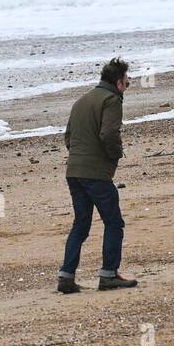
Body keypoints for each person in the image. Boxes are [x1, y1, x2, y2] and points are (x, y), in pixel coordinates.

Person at [57, 57, 138, 293]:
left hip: (74, 172)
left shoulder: (82, 100)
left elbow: (69, 138)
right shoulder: (111, 100)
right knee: (114, 222)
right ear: (119, 82)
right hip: (96, 174)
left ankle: (66, 276)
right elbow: (109, 134)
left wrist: (80, 158)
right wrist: (114, 155)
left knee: (81, 225)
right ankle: (109, 275)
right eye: (127, 81)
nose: (127, 85)